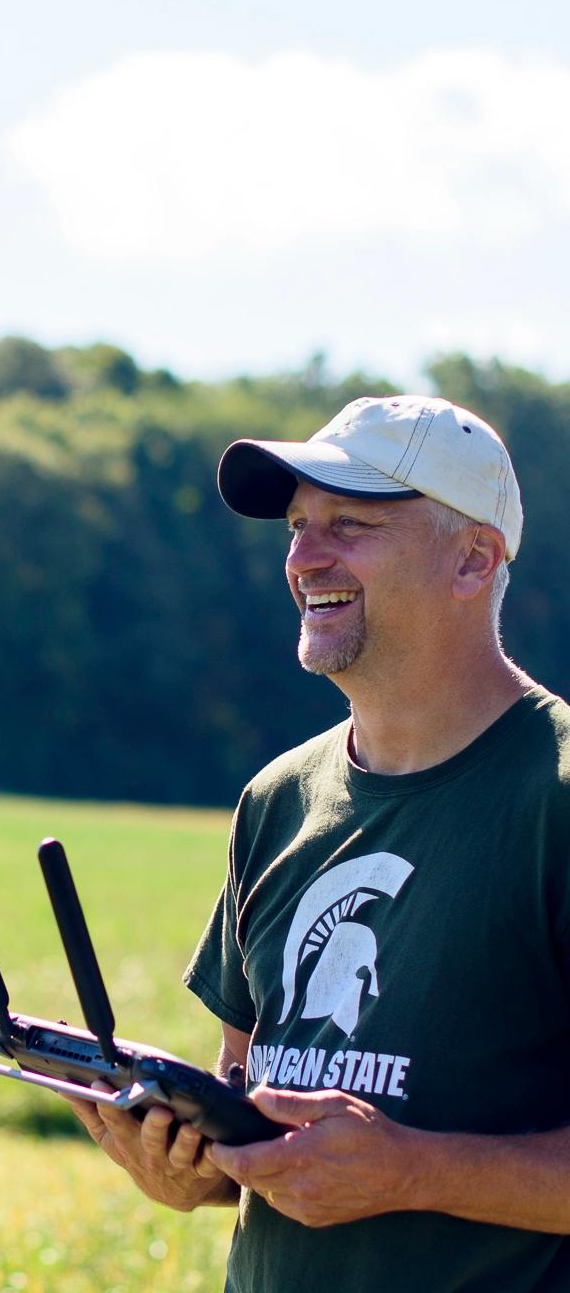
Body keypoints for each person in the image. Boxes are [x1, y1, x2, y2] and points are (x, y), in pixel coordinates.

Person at [68, 395, 570, 1292]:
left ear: (473, 558)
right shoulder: (277, 799)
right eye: (298, 526)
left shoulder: (557, 795)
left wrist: (416, 1166)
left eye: (351, 523)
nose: (304, 557)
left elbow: (387, 1163)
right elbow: (256, 1111)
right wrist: (194, 1167)